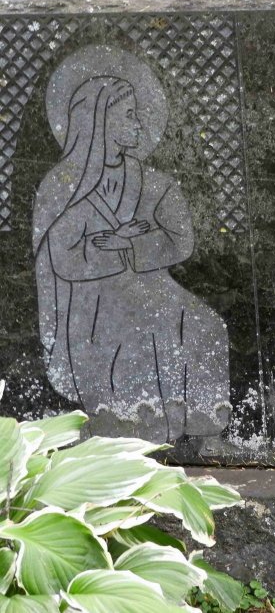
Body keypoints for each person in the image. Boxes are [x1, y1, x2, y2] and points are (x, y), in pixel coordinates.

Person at [33, 75, 231, 446]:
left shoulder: (154, 184)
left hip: (154, 284)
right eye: (128, 115)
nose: (138, 124)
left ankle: (204, 431)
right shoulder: (67, 187)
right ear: (101, 123)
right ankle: (137, 430)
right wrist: (102, 250)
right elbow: (57, 256)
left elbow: (181, 241)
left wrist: (127, 244)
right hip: (93, 300)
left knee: (208, 325)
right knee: (145, 324)